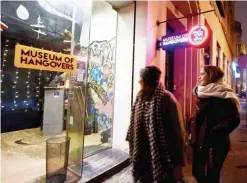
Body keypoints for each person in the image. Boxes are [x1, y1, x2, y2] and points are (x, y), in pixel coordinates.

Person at [126, 66, 186, 183]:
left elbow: (178, 133)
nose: (139, 81)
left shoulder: (167, 99)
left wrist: (178, 163)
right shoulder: (140, 98)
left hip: (163, 158)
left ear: (147, 80)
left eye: (141, 78)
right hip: (143, 156)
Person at [191, 65, 240, 183]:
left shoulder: (223, 94)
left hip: (216, 143)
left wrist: (215, 131)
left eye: (202, 74)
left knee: (212, 176)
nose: (199, 77)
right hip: (199, 141)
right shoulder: (202, 93)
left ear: (211, 76)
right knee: (197, 173)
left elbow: (234, 119)